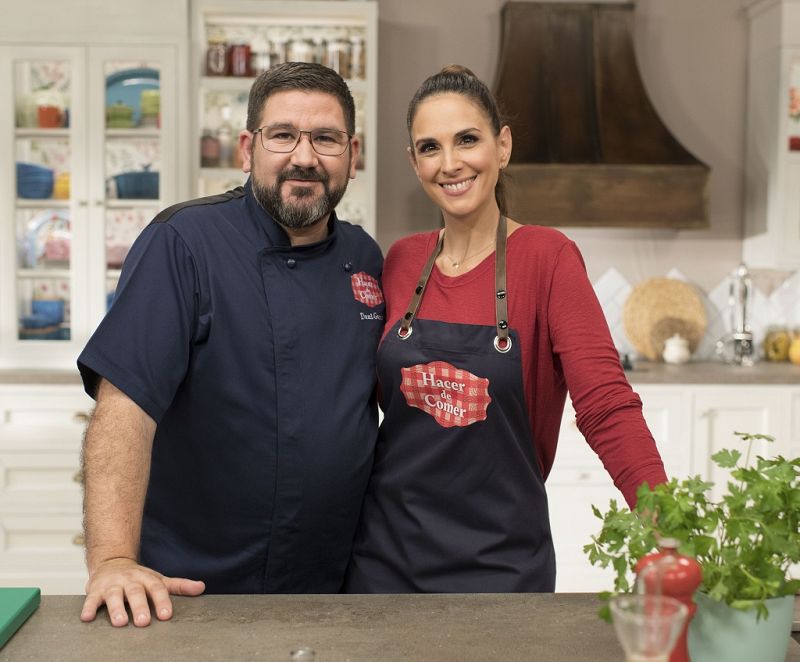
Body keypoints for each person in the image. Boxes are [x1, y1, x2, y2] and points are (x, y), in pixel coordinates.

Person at [77, 62, 385, 627]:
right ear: (248, 147)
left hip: (333, 591)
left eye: (326, 138)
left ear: (353, 153)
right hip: (191, 592)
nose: (305, 157)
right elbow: (124, 411)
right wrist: (114, 560)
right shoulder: (183, 243)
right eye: (283, 135)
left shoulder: (363, 258)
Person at [344, 65, 667, 593]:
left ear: (503, 146)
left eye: (467, 140)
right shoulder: (401, 261)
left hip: (502, 565)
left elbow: (606, 403)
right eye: (430, 147)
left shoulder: (549, 258)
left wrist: (667, 524)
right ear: (413, 161)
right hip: (385, 560)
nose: (450, 164)